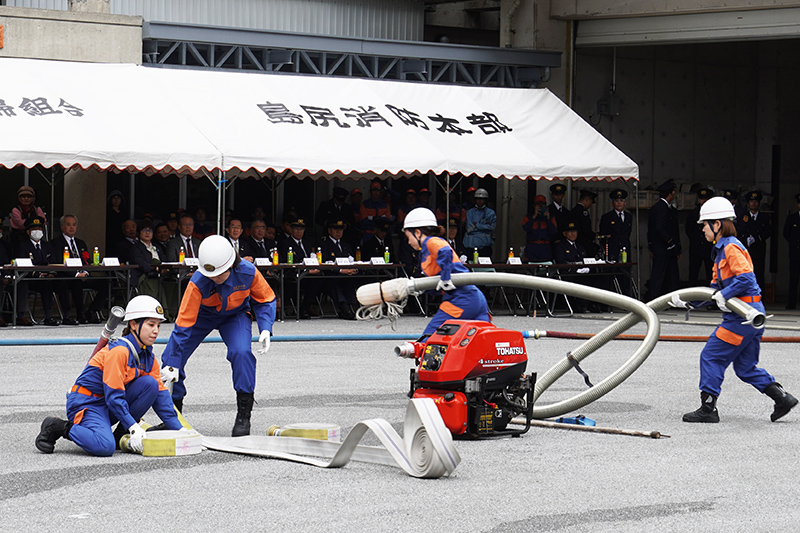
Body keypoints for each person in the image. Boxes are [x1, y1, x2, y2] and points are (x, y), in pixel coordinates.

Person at [671, 196, 797, 423]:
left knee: (710, 356)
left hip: (742, 316)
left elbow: (747, 279)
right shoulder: (720, 251)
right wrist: (688, 302)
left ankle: (708, 409)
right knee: (745, 367)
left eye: (704, 225)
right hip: (749, 315)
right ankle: (782, 398)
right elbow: (712, 290)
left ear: (717, 224)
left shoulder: (730, 247)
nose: (702, 230)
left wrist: (726, 294)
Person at [34, 295, 184, 456]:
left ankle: (120, 433)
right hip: (87, 403)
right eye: (150, 324)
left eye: (158, 325)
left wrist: (181, 430)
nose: (156, 331)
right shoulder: (119, 351)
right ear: (133, 325)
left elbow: (161, 395)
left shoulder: (148, 356)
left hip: (107, 403)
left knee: (150, 384)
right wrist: (134, 427)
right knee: (104, 447)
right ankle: (58, 426)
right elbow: (114, 396)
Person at [160, 235, 277, 436]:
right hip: (202, 316)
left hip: (235, 315)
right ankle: (173, 416)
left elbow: (265, 299)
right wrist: (172, 363)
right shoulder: (198, 281)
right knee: (171, 359)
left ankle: (243, 416)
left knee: (241, 353)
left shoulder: (248, 272)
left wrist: (265, 327)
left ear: (231, 264)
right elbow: (183, 325)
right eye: (210, 274)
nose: (214, 278)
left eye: (220, 274)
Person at [402, 207, 490, 336]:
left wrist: (445, 277)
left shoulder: (430, 241)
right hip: (475, 299)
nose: (408, 242)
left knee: (429, 340)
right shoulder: (428, 249)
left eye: (408, 237)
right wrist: (423, 288)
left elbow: (445, 252)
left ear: (417, 232)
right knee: (483, 344)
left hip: (460, 300)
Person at [52, 214, 108, 325]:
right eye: (68, 225)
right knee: (71, 282)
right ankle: (73, 314)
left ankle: (91, 311)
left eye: (74, 225)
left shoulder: (80, 243)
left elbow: (88, 261)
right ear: (62, 227)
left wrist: (85, 273)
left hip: (83, 275)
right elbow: (58, 263)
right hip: (67, 276)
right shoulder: (55, 243)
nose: (72, 227)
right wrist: (76, 274)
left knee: (106, 283)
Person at [13, 217, 58, 326]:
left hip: (45, 278)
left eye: (39, 229)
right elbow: (23, 266)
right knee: (22, 284)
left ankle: (51, 316)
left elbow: (54, 262)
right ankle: (21, 316)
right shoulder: (23, 246)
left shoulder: (47, 245)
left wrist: (50, 273)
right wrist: (38, 274)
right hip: (30, 278)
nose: (37, 232)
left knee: (57, 284)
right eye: (34, 229)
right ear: (28, 232)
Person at [278, 215, 323, 319]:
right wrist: (307, 270)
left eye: (301, 229)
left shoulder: (307, 243)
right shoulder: (285, 243)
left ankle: (305, 306)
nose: (299, 232)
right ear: (291, 229)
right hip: (293, 273)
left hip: (308, 273)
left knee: (319, 279)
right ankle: (301, 308)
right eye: (296, 229)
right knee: (298, 281)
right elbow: (287, 261)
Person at [646, 179, 682, 300]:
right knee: (659, 275)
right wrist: (670, 241)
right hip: (662, 248)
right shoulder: (661, 208)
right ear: (671, 193)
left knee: (671, 275)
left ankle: (671, 300)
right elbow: (659, 228)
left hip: (668, 249)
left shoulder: (666, 208)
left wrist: (677, 247)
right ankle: (654, 299)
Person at [320, 219, 358, 320]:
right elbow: (325, 263)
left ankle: (353, 306)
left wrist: (352, 269)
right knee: (333, 283)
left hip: (346, 275)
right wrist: (341, 270)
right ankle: (344, 308)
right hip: (330, 276)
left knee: (352, 279)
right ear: (329, 230)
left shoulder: (346, 245)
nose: (338, 232)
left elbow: (352, 260)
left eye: (340, 229)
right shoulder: (324, 245)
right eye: (335, 229)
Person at [738, 190, 771, 290]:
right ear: (748, 203)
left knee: (759, 274)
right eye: (751, 201)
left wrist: (756, 239)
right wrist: (745, 238)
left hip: (758, 250)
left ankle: (760, 298)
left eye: (756, 201)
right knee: (744, 274)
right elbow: (738, 229)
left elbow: (768, 231)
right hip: (745, 249)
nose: (754, 203)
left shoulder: (764, 217)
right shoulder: (742, 217)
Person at [685, 188, 714, 285]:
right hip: (696, 247)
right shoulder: (694, 213)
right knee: (693, 273)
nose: (703, 201)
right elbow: (688, 229)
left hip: (709, 247)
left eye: (706, 199)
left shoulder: (713, 214)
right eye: (702, 199)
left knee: (710, 273)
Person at [463, 188, 496, 259]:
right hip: (471, 246)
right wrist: (484, 226)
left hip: (485, 247)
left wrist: (477, 225)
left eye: (482, 199)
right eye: (478, 199)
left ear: (485, 200)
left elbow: (492, 228)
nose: (480, 201)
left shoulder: (490, 213)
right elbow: (469, 229)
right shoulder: (470, 212)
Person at [522, 194, 556, 262]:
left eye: (542, 204)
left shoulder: (551, 218)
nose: (540, 206)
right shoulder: (528, 217)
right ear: (534, 205)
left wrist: (548, 219)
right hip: (532, 246)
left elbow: (553, 231)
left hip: (545, 247)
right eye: (538, 204)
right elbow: (525, 228)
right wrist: (534, 217)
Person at [783, 193, 800, 310]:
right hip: (795, 253)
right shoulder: (792, 218)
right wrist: (794, 243)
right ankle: (791, 303)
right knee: (793, 279)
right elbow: (786, 233)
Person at [571, 190, 598, 258]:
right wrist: (593, 235)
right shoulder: (583, 212)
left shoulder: (573, 210)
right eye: (590, 202)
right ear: (587, 200)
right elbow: (586, 229)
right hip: (583, 242)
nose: (590, 205)